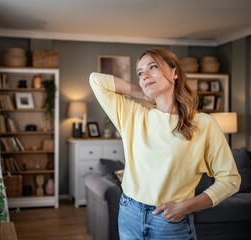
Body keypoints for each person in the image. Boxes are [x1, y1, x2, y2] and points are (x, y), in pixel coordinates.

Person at [89, 48, 241, 240]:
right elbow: (96, 80)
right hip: (129, 213)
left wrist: (186, 206)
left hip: (170, 221)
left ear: (175, 73)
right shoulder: (133, 114)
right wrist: (145, 94)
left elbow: (230, 179)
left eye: (153, 67)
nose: (145, 75)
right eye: (140, 72)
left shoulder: (203, 124)